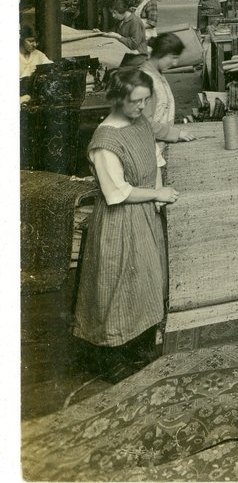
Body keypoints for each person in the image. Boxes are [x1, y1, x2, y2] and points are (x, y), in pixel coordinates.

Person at [73, 67, 177, 371]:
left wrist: (157, 193)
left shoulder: (140, 121)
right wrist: (157, 194)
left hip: (145, 214)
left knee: (146, 280)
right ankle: (111, 355)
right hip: (120, 222)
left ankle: (138, 345)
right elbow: (116, 192)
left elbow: (153, 161)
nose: (142, 107)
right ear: (118, 99)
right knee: (119, 285)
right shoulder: (105, 141)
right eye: (136, 101)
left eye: (146, 100)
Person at [140, 33, 196, 143]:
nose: (175, 63)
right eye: (173, 57)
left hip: (159, 140)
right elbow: (145, 123)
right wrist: (175, 133)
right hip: (149, 145)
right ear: (161, 53)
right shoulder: (145, 80)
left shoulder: (157, 73)